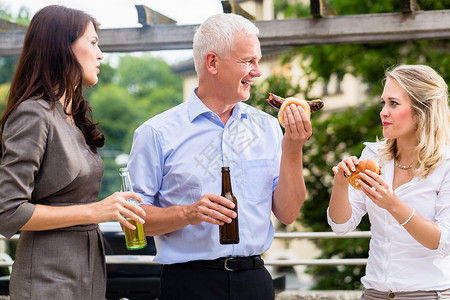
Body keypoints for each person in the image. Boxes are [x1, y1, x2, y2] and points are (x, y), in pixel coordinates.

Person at [127, 13, 311, 300]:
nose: (257, 71)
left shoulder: (268, 127)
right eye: (248, 61)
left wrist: (293, 147)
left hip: (255, 283)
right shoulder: (155, 133)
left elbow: (288, 213)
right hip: (188, 284)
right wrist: (188, 213)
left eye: (258, 61)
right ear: (212, 63)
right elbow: (136, 221)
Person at [0, 5, 146, 299]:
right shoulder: (33, 114)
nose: (101, 54)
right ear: (62, 48)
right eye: (92, 43)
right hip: (46, 278)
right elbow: (7, 210)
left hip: (87, 272)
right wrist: (96, 211)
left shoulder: (73, 117)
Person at [328, 64, 450, 299]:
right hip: (374, 293)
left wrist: (393, 204)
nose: (383, 111)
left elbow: (443, 242)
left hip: (427, 294)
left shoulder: (446, 164)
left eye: (394, 103)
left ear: (422, 110)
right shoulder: (372, 156)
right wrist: (341, 183)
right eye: (383, 103)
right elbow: (340, 225)